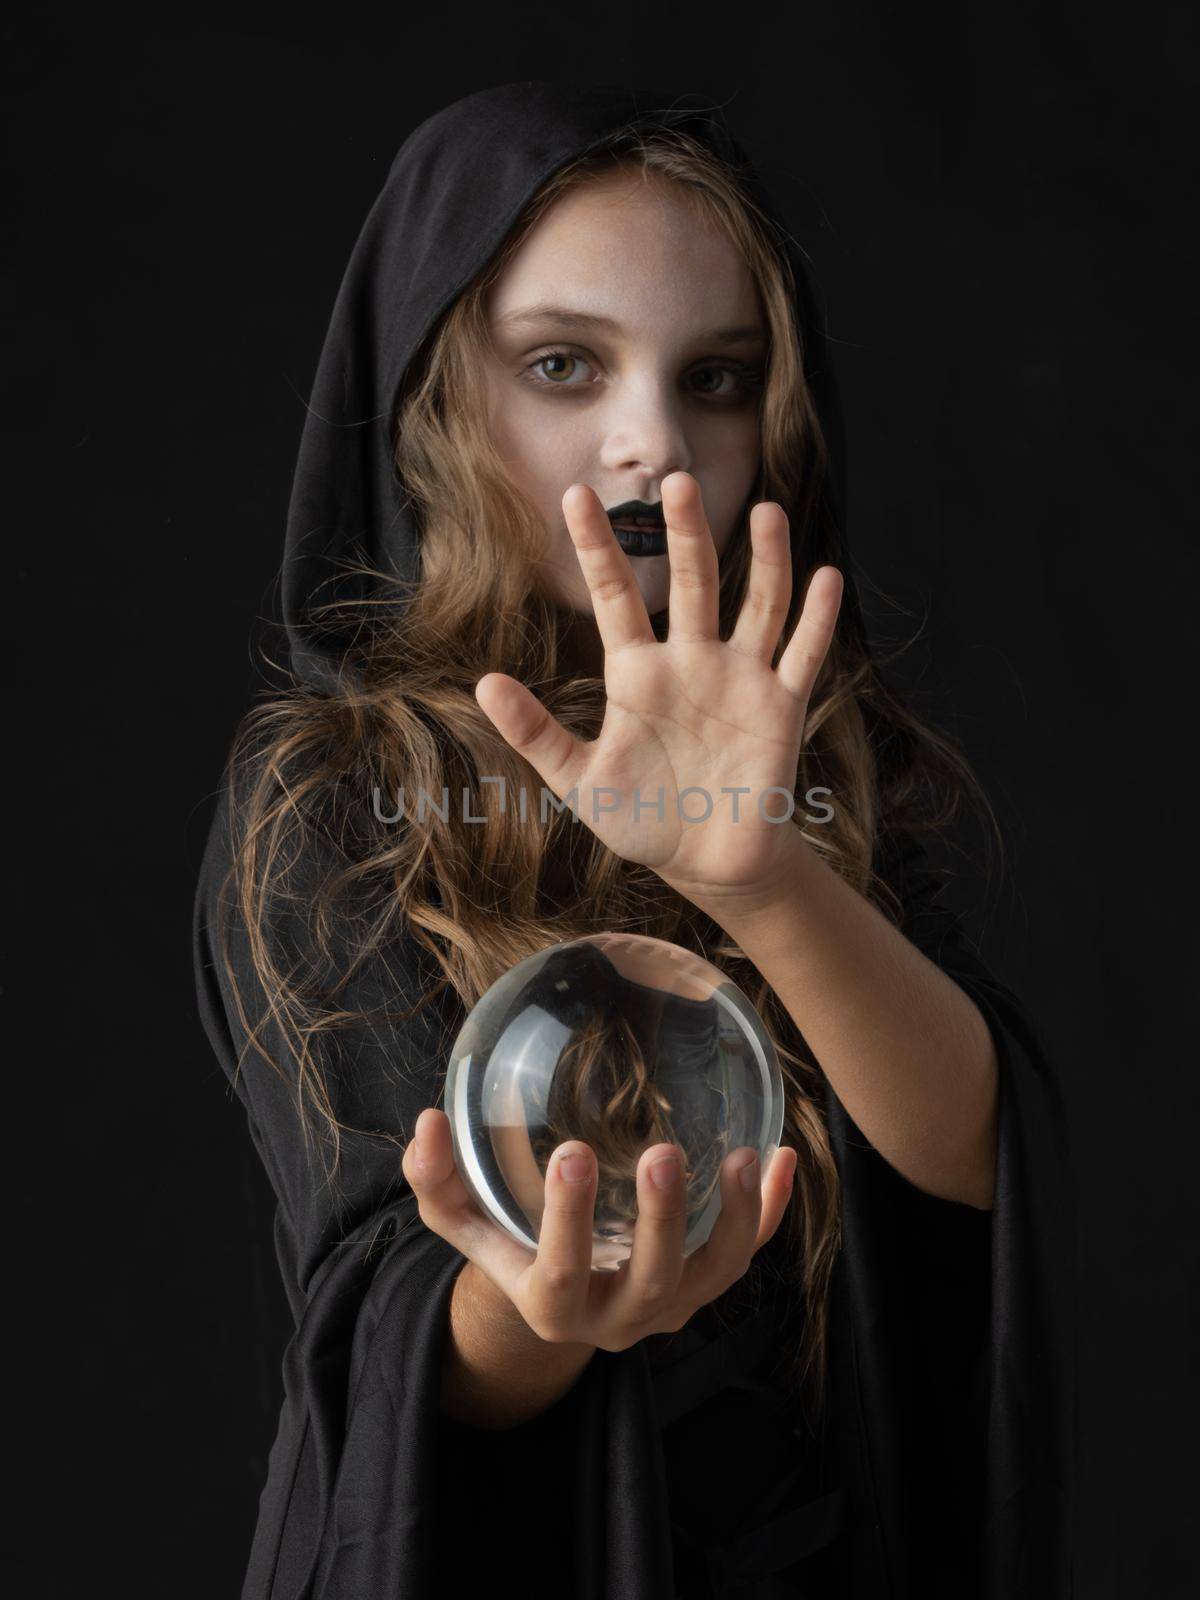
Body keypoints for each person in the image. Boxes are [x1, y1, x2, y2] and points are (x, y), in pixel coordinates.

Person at [192, 81, 1076, 1599]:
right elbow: (391, 1321)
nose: (652, 444)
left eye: (718, 377)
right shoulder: (335, 788)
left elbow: (967, 1165)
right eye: (562, 364)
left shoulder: (820, 749)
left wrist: (762, 873)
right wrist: (550, 1305)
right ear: (435, 394)